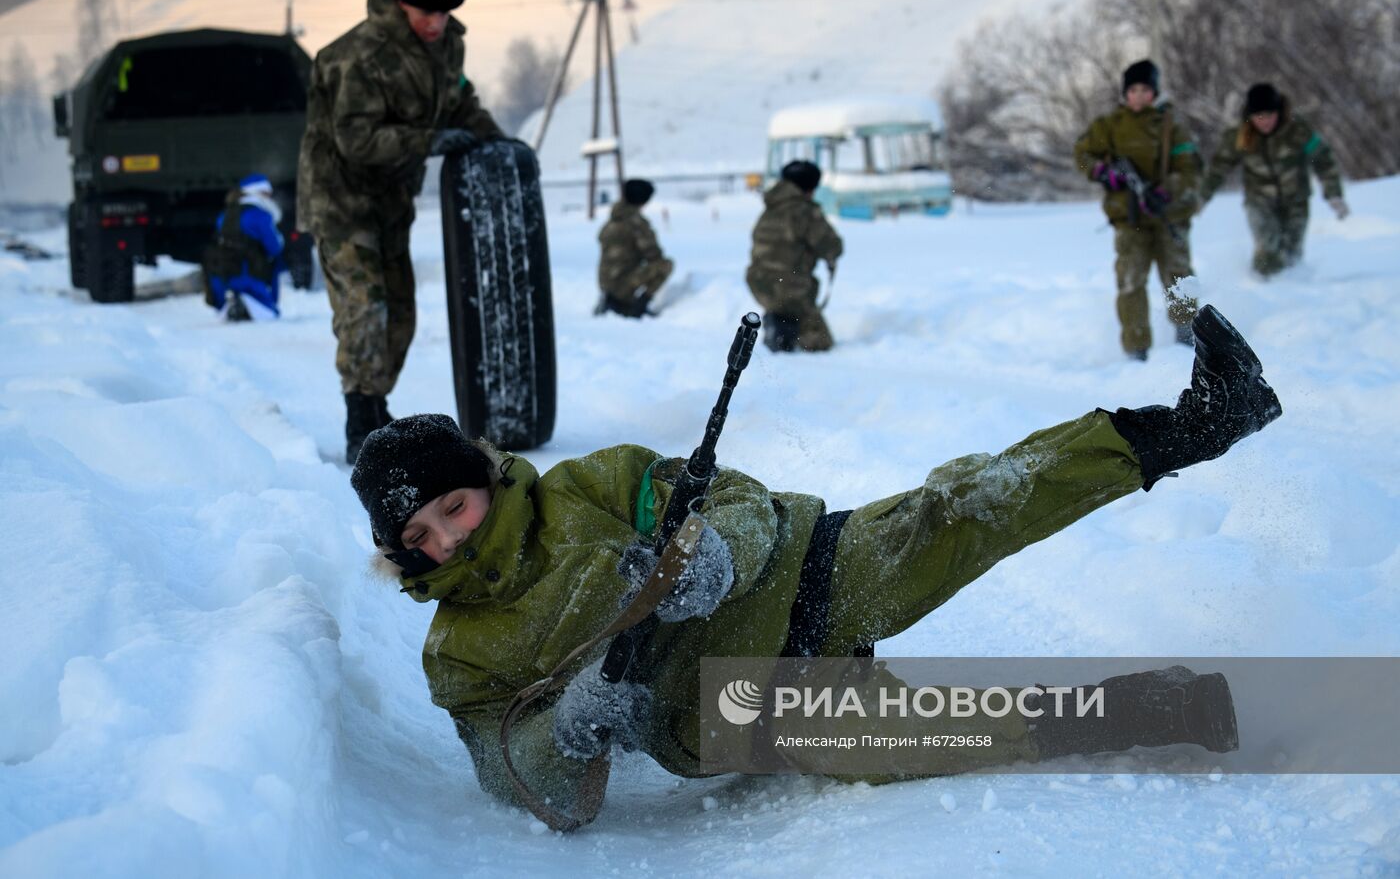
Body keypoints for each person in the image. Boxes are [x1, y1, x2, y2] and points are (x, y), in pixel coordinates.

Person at [349, 304, 1281, 827]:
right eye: (422, 536)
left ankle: (1195, 423)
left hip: (801, 571)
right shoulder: (460, 654)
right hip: (724, 707)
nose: (449, 539)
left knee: (963, 507)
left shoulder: (591, 484)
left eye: (453, 506)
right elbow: (508, 768)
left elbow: (737, 499)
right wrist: (574, 728)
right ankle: (1162, 708)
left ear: (484, 479)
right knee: (934, 734)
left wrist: (718, 551)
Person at [297, 0, 506, 464]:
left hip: (392, 200)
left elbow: (460, 100)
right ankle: (360, 420)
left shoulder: (445, 45)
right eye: (425, 12)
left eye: (443, 12)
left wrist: (500, 145)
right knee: (364, 308)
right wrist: (429, 141)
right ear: (402, 2)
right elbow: (355, 140)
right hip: (341, 200)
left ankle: (375, 404)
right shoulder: (357, 55)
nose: (435, 22)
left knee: (401, 315)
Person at [1074, 60, 1202, 361]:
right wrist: (1104, 173)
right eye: (1133, 90)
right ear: (1125, 93)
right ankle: (1136, 350)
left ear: (1154, 92)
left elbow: (1190, 169)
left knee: (1179, 277)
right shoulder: (1110, 126)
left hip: (1169, 215)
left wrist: (1165, 190)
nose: (1139, 95)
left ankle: (1188, 341)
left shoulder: (1171, 126)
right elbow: (1081, 155)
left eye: (1145, 89)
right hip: (1129, 221)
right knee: (1131, 282)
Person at [1197, 83, 1348, 277]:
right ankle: (1263, 288)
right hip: (1259, 202)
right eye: (1258, 117)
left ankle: (1295, 292)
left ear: (1279, 112)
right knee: (1268, 252)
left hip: (1296, 201)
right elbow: (1218, 169)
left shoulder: (1297, 130)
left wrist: (1334, 194)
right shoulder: (1240, 135)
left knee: (1292, 255)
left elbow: (1323, 159)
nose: (1264, 121)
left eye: (1269, 115)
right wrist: (1201, 197)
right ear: (1250, 117)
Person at [746, 160, 844, 352]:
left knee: (787, 307)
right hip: (790, 288)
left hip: (758, 282)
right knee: (820, 343)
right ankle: (782, 333)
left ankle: (781, 322)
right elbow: (831, 246)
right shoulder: (803, 211)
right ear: (809, 187)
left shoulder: (771, 208)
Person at [202, 174, 286, 322]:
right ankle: (248, 305)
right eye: (266, 193)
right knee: (270, 312)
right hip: (251, 273)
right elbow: (274, 247)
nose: (269, 197)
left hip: (224, 273)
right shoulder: (261, 215)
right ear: (257, 192)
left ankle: (232, 305)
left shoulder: (225, 214)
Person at [596, 179, 674, 318]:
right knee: (665, 265)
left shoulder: (612, 221)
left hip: (605, 285)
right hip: (622, 284)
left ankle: (617, 302)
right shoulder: (637, 223)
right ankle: (638, 307)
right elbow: (654, 255)